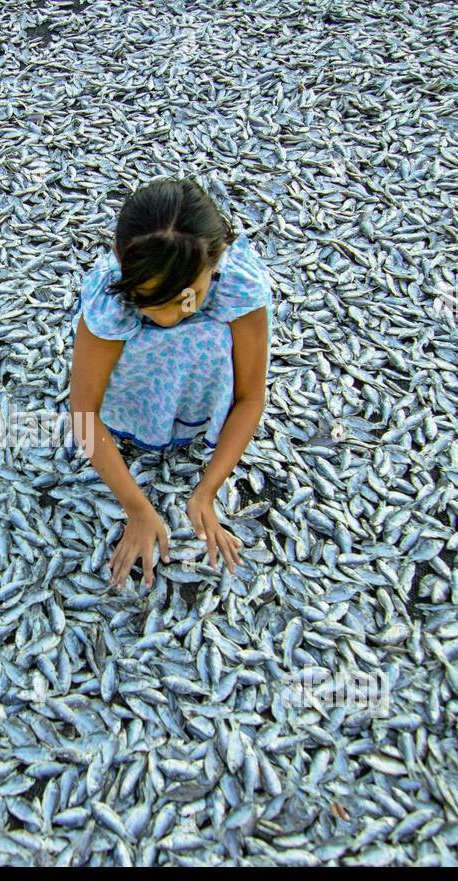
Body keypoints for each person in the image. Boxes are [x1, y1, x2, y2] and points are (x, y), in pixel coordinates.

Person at [68, 177, 274, 591]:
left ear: (216, 262)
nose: (166, 316)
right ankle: (139, 423)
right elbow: (83, 413)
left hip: (194, 389)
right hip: (129, 390)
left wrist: (206, 491)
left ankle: (187, 421)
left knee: (208, 336)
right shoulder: (113, 304)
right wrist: (138, 508)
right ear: (119, 262)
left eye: (186, 298)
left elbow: (252, 397)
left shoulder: (239, 286)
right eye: (150, 300)